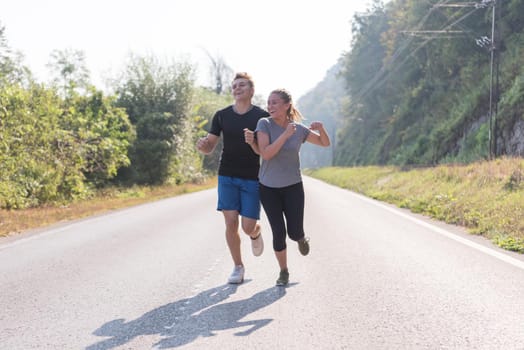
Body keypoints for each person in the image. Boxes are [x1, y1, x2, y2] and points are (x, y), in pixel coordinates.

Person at [196, 72, 269, 284]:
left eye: (242, 85)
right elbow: (210, 146)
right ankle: (238, 267)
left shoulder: (262, 117)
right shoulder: (221, 115)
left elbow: (264, 151)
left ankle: (255, 233)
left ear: (251, 90)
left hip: (251, 178)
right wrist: (203, 146)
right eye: (234, 86)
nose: (237, 88)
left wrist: (253, 143)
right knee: (230, 222)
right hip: (226, 174)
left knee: (247, 226)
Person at [255, 88, 331, 286]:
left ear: (287, 105)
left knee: (294, 231)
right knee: (278, 232)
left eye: (275, 102)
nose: (270, 106)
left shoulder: (298, 129)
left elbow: (324, 143)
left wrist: (321, 129)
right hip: (268, 187)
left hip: (293, 186)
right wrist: (285, 135)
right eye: (269, 102)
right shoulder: (264, 124)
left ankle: (301, 238)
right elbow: (266, 153)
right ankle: (283, 271)